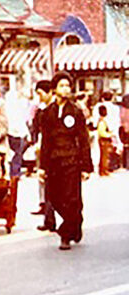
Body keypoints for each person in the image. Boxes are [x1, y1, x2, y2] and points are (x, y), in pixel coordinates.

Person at [38, 73, 92, 250]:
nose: (65, 89)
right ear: (54, 89)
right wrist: (42, 166)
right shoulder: (46, 113)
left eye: (68, 86)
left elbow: (83, 139)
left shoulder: (76, 112)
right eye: (61, 86)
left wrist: (86, 166)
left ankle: (66, 234)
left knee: (71, 198)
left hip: (71, 160)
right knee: (55, 197)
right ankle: (75, 223)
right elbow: (45, 141)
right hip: (54, 161)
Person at [29, 79, 56, 231]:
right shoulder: (41, 109)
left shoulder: (54, 108)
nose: (39, 97)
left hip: (52, 151)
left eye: (40, 93)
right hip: (42, 149)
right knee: (45, 183)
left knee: (52, 185)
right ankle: (48, 216)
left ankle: (52, 218)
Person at [4, 85, 32, 178]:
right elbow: (20, 122)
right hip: (17, 134)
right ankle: (15, 173)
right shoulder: (15, 110)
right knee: (17, 154)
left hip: (10, 134)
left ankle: (13, 172)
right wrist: (26, 133)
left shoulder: (7, 109)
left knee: (14, 154)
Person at [96, 105, 113, 176]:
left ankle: (103, 170)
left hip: (103, 140)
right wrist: (109, 135)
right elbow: (101, 132)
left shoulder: (101, 121)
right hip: (104, 140)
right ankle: (104, 170)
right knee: (105, 156)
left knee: (104, 155)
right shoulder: (102, 122)